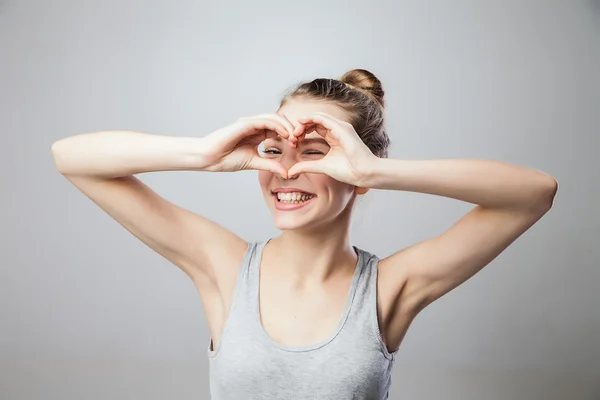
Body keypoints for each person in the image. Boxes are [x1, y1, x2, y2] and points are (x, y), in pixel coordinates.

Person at [51, 69, 558, 399]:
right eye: (275, 150)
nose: (286, 170)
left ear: (359, 172)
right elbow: (71, 158)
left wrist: (374, 170)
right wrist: (203, 153)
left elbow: (534, 192)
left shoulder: (390, 286)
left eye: (315, 152)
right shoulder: (223, 267)